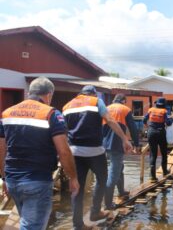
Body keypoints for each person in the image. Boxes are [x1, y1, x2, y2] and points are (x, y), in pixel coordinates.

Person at [0, 77, 79, 230]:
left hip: (12, 180)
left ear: (30, 93)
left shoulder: (7, 113)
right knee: (32, 226)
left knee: (26, 221)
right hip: (37, 181)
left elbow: (1, 149)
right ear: (49, 95)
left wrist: (3, 176)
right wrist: (73, 177)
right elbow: (63, 151)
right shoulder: (51, 114)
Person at [63, 85, 132, 230]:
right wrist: (124, 139)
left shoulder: (67, 105)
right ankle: (95, 212)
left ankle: (77, 225)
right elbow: (110, 120)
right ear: (94, 94)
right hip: (95, 151)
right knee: (102, 179)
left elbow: (63, 131)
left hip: (74, 152)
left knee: (77, 187)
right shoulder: (96, 101)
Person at [103, 94, 140, 210]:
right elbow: (133, 128)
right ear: (123, 101)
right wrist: (136, 143)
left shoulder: (105, 108)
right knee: (113, 174)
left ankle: (121, 191)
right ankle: (108, 204)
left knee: (119, 167)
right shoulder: (125, 109)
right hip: (116, 145)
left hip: (103, 145)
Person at [143, 97, 173, 182]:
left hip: (151, 132)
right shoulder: (164, 111)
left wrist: (147, 126)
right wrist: (171, 118)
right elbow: (168, 123)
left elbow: (144, 120)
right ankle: (165, 172)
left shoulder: (150, 110)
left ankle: (152, 176)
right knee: (163, 153)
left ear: (156, 104)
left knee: (153, 154)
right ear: (164, 105)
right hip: (160, 133)